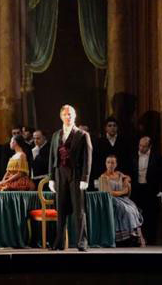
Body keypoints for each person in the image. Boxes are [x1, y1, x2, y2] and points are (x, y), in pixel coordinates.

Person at [48, 104, 92, 251]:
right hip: (60, 173)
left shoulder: (82, 135)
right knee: (61, 209)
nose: (68, 117)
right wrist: (51, 178)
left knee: (79, 210)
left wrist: (85, 178)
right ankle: (59, 242)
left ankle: (82, 242)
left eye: (71, 114)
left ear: (75, 116)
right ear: (61, 116)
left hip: (76, 174)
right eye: (66, 114)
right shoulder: (56, 135)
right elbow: (52, 157)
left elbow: (87, 158)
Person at [97, 155, 144, 245]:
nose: (110, 165)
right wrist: (124, 191)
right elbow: (109, 193)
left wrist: (126, 180)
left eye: (113, 163)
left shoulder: (118, 174)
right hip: (111, 199)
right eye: (108, 162)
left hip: (122, 198)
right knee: (125, 209)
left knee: (133, 208)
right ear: (105, 164)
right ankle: (125, 236)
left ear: (116, 164)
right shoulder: (104, 176)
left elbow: (128, 177)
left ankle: (133, 234)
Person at [130, 136, 162, 244]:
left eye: (144, 146)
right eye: (140, 146)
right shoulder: (133, 155)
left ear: (150, 146)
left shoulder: (157, 157)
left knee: (151, 214)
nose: (141, 148)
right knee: (136, 213)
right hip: (137, 189)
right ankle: (138, 239)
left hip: (151, 189)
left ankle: (151, 240)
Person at [93, 117, 131, 186]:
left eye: (114, 125)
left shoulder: (124, 142)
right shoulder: (99, 142)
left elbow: (127, 160)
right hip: (104, 177)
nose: (112, 128)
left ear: (117, 127)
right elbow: (96, 161)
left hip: (120, 177)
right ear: (106, 128)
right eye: (109, 126)